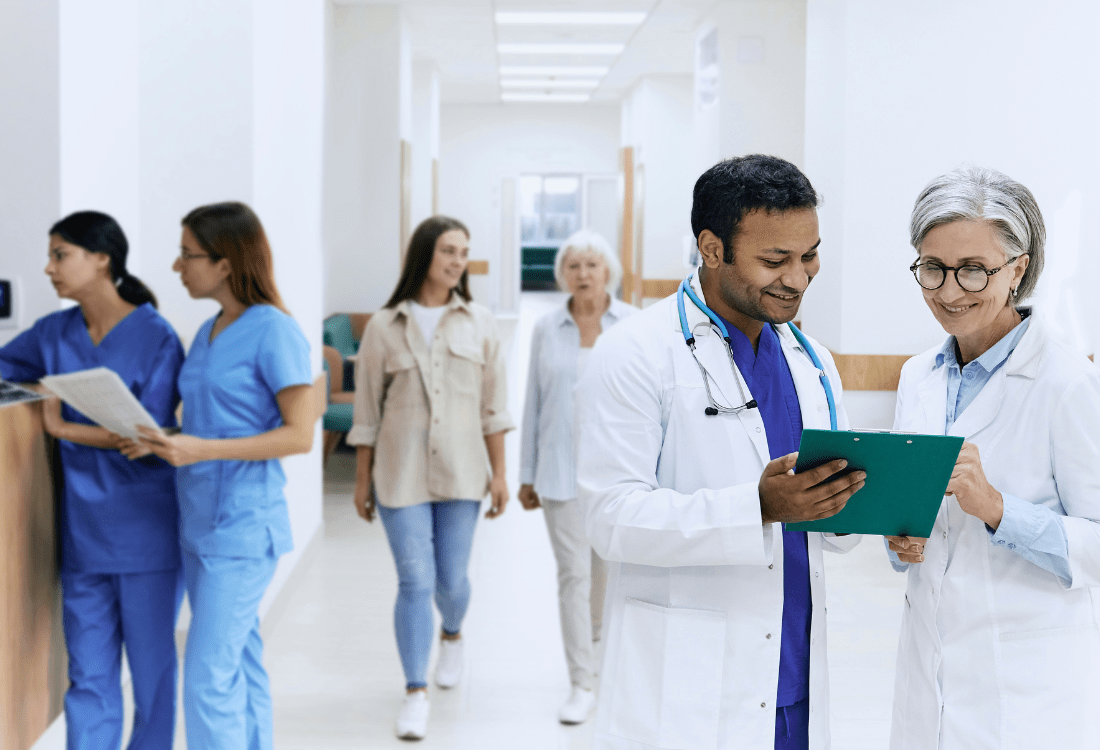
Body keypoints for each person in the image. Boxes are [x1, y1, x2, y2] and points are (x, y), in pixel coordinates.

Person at [575, 155, 866, 750]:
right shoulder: (634, 353)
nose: (799, 277)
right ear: (712, 248)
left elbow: (833, 530)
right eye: (774, 260)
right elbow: (608, 518)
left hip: (792, 668)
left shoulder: (812, 363)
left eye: (809, 254)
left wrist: (871, 505)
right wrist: (754, 507)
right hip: (688, 677)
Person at [885, 167, 1100, 749]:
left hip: (1027, 687)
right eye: (933, 268)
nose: (950, 291)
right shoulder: (916, 378)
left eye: (973, 270)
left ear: (1018, 269)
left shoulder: (1069, 384)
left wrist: (998, 509)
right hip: (928, 672)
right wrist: (900, 540)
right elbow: (917, 529)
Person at [0, 211, 185, 749]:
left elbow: (149, 436)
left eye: (61, 255)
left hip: (146, 531)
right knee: (89, 677)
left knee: (152, 678)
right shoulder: (54, 332)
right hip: (82, 535)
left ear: (102, 258)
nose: (49, 268)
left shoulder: (155, 336)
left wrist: (63, 428)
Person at [135, 202, 314, 750]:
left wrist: (201, 449)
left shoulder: (275, 331)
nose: (176, 266)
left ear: (225, 263)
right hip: (198, 521)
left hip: (240, 526)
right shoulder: (210, 329)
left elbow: (299, 435)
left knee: (208, 677)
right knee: (240, 660)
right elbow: (206, 420)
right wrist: (160, 439)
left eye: (187, 255)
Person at [348, 215, 513, 741]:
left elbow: (494, 408)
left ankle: (454, 633)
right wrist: (361, 480)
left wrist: (501, 473)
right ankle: (414, 690)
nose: (458, 261)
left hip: (464, 472)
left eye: (464, 252)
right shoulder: (383, 325)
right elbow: (366, 413)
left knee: (451, 581)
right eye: (448, 250)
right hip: (399, 474)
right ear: (424, 254)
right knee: (415, 581)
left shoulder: (480, 322)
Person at [517, 229, 635, 724]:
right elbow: (533, 402)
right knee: (574, 577)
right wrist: (525, 472)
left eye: (592, 264)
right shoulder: (547, 327)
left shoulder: (631, 324)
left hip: (616, 475)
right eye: (574, 266)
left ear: (608, 270)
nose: (583, 274)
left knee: (609, 581)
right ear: (563, 274)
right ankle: (580, 683)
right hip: (559, 474)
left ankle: (605, 668)